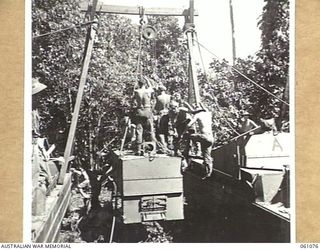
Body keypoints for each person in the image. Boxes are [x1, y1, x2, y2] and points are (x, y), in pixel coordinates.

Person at [182, 102, 214, 179]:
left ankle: (186, 152)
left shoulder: (198, 115)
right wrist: (201, 103)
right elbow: (206, 109)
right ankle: (208, 174)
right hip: (211, 138)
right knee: (207, 157)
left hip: (204, 136)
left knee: (188, 136)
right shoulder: (208, 114)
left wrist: (183, 132)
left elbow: (189, 125)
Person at [132, 77, 156, 155]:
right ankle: (152, 149)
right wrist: (147, 80)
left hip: (139, 111)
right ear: (145, 84)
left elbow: (132, 101)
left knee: (139, 131)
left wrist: (136, 84)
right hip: (147, 110)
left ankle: (139, 150)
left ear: (139, 84)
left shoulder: (136, 91)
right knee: (150, 130)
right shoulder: (148, 91)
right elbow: (151, 87)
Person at [154, 85, 171, 153]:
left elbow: (156, 108)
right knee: (166, 130)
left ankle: (163, 146)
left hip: (161, 114)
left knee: (160, 131)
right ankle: (168, 145)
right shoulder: (169, 96)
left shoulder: (158, 97)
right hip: (168, 114)